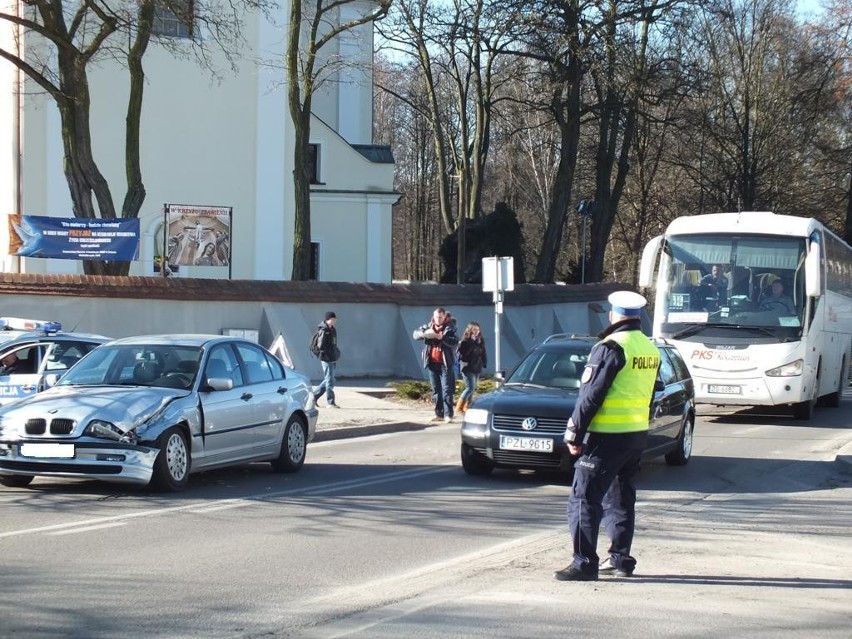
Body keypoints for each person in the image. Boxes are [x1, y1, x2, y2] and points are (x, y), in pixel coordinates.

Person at [554, 290, 660, 582]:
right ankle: (621, 559)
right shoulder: (649, 348)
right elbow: (650, 391)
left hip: (606, 436)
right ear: (637, 316)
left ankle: (584, 563)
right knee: (621, 498)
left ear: (613, 315)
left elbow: (591, 395)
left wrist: (574, 432)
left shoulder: (611, 346)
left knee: (583, 497)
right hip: (635, 434)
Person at [413, 307, 459, 423]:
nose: (438, 319)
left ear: (445, 317)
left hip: (445, 363)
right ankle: (439, 414)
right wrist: (424, 334)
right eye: (436, 317)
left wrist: (442, 337)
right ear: (433, 317)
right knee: (436, 390)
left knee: (447, 389)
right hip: (432, 362)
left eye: (440, 317)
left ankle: (449, 415)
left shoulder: (450, 328)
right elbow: (415, 334)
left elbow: (454, 342)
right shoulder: (429, 326)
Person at [455, 321, 487, 414]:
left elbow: (483, 353)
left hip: (477, 367)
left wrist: (484, 363)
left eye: (478, 330)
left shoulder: (480, 341)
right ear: (470, 330)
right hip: (467, 367)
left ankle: (467, 406)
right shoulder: (465, 342)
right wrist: (472, 342)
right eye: (474, 330)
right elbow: (464, 355)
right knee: (470, 387)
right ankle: (459, 406)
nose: (477, 332)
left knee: (473, 388)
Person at [312, 312, 341, 408]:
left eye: (335, 319)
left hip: (332, 357)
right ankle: (330, 402)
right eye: (333, 319)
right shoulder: (324, 330)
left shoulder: (332, 330)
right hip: (326, 358)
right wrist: (329, 352)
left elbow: (334, 343)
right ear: (328, 319)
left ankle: (313, 397)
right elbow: (321, 346)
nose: (335, 321)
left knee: (330, 379)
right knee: (329, 380)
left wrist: (336, 352)